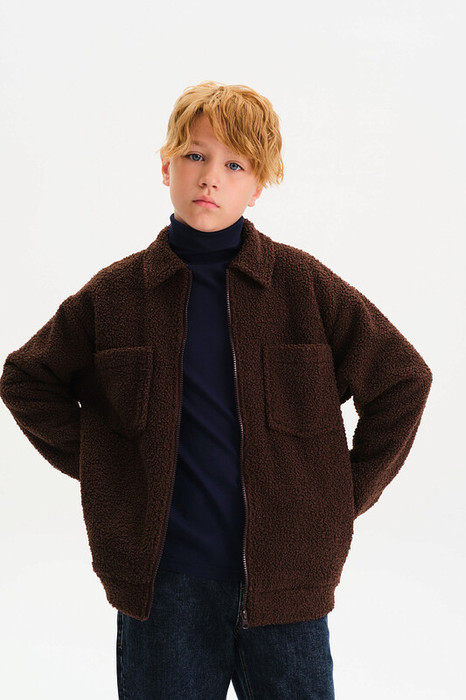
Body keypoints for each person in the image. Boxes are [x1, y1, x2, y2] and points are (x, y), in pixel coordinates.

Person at [0, 80, 433, 699]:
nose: (210, 177)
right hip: (164, 583)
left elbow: (403, 378)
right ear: (166, 166)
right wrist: (111, 468)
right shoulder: (117, 294)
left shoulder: (301, 285)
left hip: (287, 583)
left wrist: (340, 493)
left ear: (258, 187)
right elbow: (26, 378)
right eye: (195, 155)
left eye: (235, 165)